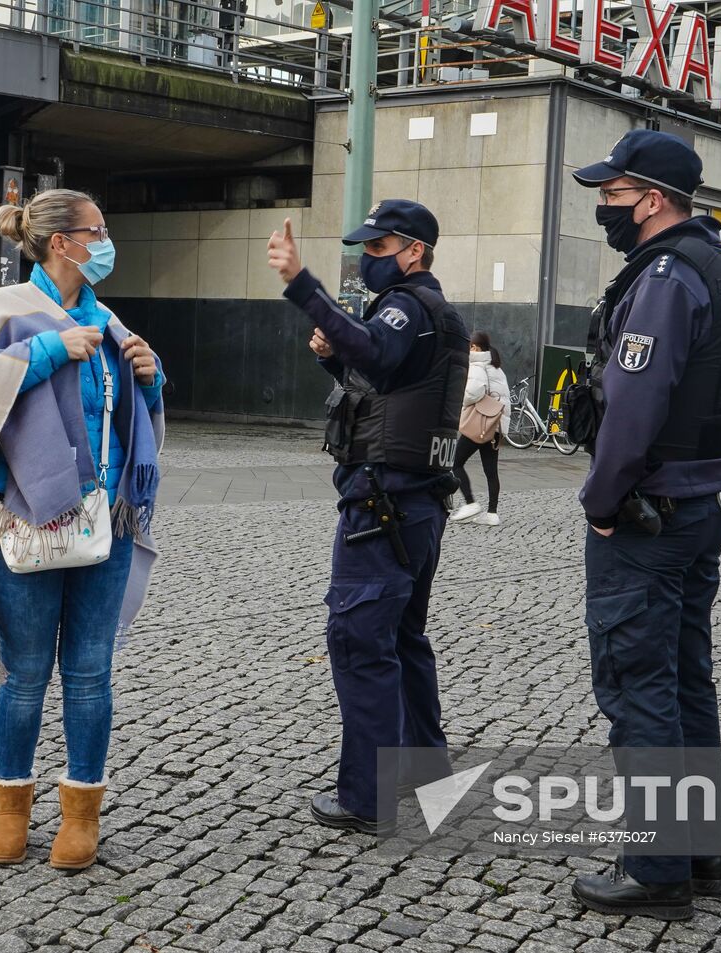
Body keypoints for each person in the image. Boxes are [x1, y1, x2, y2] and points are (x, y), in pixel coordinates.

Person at [0, 188, 165, 871]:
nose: (106, 240)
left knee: (90, 672)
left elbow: (125, 415)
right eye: (98, 230)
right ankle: (10, 809)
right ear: (62, 242)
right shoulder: (3, 309)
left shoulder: (109, 319)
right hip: (23, 521)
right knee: (24, 675)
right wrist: (55, 348)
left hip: (104, 522)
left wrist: (150, 377)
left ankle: (81, 811)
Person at [569, 130, 721, 920]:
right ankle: (698, 851)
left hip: (654, 510)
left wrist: (601, 502)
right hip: (708, 499)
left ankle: (657, 870)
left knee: (638, 685)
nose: (604, 206)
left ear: (650, 198)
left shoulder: (666, 275)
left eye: (612, 193)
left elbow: (633, 408)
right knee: (687, 683)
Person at [267, 199, 468, 835]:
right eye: (365, 250)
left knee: (360, 641)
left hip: (385, 500)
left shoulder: (409, 306)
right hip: (417, 498)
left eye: (379, 249)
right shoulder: (429, 312)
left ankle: (367, 795)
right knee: (404, 636)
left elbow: (378, 355)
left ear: (415, 252)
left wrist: (304, 286)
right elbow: (379, 376)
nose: (367, 259)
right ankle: (424, 770)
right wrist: (334, 354)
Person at [450, 330, 510, 525]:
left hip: (480, 423)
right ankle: (492, 513)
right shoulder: (496, 366)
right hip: (495, 425)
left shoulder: (477, 364)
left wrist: (462, 399)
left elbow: (474, 393)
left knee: (455, 463)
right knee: (491, 470)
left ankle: (470, 503)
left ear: (475, 348)